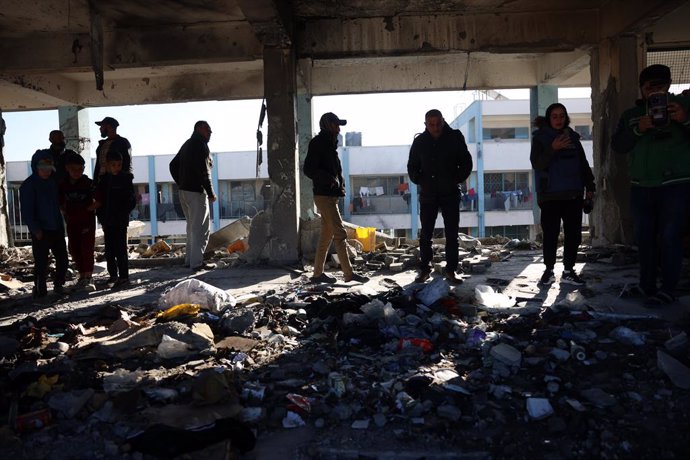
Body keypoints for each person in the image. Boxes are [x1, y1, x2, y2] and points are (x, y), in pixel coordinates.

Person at [612, 64, 690, 306]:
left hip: (676, 185)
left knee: (670, 236)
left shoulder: (683, 107)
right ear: (642, 89)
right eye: (649, 88)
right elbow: (618, 146)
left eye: (660, 86)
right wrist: (638, 129)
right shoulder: (631, 115)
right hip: (641, 186)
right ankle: (646, 285)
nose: (655, 92)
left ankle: (668, 288)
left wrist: (685, 120)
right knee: (644, 237)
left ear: (668, 86)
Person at [530, 103, 595, 286]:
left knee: (573, 234)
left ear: (566, 118)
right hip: (550, 195)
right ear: (549, 119)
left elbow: (583, 164)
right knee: (550, 234)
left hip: (573, 194)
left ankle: (568, 271)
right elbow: (538, 164)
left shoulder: (573, 138)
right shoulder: (540, 139)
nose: (558, 120)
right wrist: (553, 148)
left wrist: (590, 186)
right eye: (554, 116)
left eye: (561, 116)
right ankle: (549, 270)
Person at [407, 109, 472, 284]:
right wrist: (421, 180)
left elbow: (466, 162)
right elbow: (412, 166)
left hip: (450, 193)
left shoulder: (455, 137)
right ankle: (424, 270)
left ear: (443, 121)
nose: (435, 128)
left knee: (452, 234)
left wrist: (455, 179)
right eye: (431, 125)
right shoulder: (420, 142)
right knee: (426, 234)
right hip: (428, 195)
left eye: (438, 124)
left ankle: (451, 270)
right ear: (425, 124)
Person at [304, 112, 369, 284]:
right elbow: (308, 169)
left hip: (329, 196)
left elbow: (334, 172)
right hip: (324, 196)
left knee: (326, 237)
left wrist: (337, 185)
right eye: (335, 125)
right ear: (327, 125)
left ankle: (317, 275)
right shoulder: (318, 143)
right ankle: (349, 273)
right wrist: (328, 179)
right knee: (340, 234)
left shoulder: (329, 145)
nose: (338, 129)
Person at [19, 151, 68, 300]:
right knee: (41, 263)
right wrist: (36, 230)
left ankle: (59, 285)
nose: (46, 172)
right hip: (41, 230)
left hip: (56, 228)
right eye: (43, 168)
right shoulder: (28, 185)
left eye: (49, 168)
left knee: (63, 260)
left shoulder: (53, 182)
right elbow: (27, 211)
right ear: (35, 167)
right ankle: (40, 290)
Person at [169, 121, 216, 272]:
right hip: (196, 192)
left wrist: (182, 182)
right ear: (199, 129)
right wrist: (210, 193)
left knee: (191, 227)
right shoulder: (200, 145)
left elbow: (172, 165)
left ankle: (189, 261)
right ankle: (196, 263)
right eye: (208, 130)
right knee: (200, 229)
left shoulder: (187, 144)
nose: (210, 133)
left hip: (184, 191)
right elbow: (204, 171)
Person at [94, 151, 136, 288]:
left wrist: (124, 213)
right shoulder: (104, 180)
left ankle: (124, 277)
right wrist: (101, 217)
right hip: (107, 220)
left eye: (119, 165)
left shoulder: (126, 179)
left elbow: (131, 200)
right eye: (113, 165)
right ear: (107, 165)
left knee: (121, 250)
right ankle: (113, 276)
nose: (116, 168)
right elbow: (100, 200)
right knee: (110, 250)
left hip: (120, 220)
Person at [59, 153, 96, 292]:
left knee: (87, 248)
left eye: (81, 169)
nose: (77, 172)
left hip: (87, 221)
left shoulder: (88, 183)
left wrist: (86, 210)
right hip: (72, 222)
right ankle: (82, 276)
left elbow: (98, 201)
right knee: (74, 248)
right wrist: (66, 212)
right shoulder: (63, 185)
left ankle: (89, 277)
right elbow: (59, 202)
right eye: (74, 169)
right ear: (67, 168)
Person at [93, 116, 131, 187]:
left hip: (116, 183)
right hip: (102, 183)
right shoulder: (102, 144)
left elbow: (127, 164)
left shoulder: (122, 142)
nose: (100, 128)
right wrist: (95, 182)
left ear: (109, 126)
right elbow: (98, 164)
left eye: (102, 126)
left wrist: (122, 180)